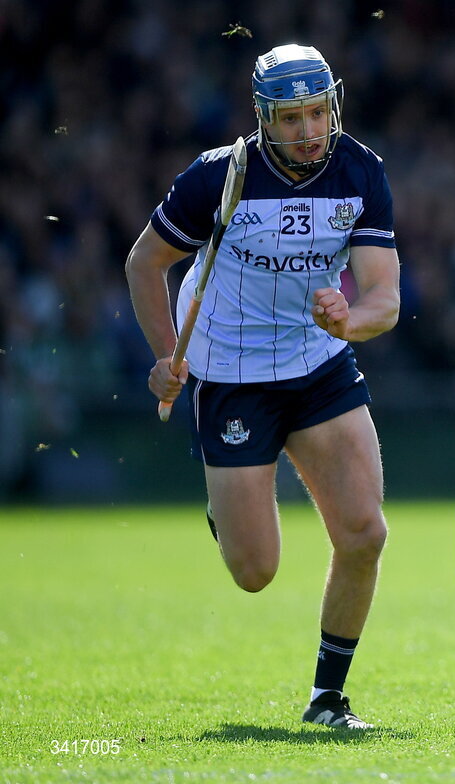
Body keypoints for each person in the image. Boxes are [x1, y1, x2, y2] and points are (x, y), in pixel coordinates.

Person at [125, 44, 400, 730]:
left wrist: (350, 319)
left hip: (317, 365)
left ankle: (327, 698)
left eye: (317, 112)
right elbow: (144, 262)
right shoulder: (220, 176)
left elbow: (384, 299)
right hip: (231, 373)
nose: (308, 131)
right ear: (263, 119)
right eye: (290, 118)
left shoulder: (361, 171)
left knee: (364, 534)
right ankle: (229, 506)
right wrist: (165, 357)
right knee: (254, 573)